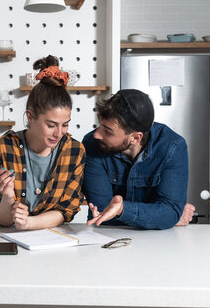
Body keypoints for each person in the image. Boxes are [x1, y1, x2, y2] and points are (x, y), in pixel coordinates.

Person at [0, 55, 85, 230]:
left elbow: (65, 211)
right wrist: (7, 198)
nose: (59, 133)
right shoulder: (3, 148)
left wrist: (29, 223)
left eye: (65, 124)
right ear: (31, 116)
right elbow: (3, 220)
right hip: (8, 235)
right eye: (51, 125)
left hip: (53, 237)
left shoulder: (74, 151)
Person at [82, 89, 195, 230]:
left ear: (136, 138)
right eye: (100, 125)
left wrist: (122, 210)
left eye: (107, 131)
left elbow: (169, 212)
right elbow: (102, 215)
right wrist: (163, 219)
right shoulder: (91, 145)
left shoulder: (173, 147)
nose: (97, 134)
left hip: (158, 243)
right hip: (108, 236)